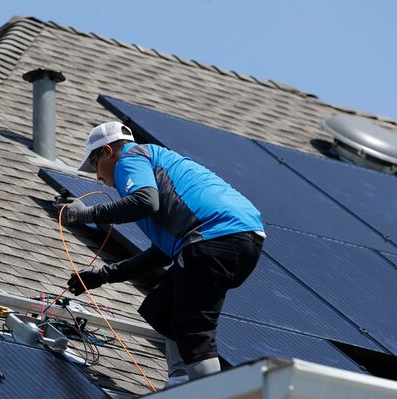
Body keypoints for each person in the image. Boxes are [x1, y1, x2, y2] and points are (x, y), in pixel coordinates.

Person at [58, 121, 265, 385]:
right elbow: (161, 254)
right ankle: (179, 382)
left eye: (94, 165)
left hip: (215, 236)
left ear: (108, 152)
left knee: (194, 326)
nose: (98, 178)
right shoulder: (158, 174)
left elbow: (145, 201)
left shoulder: (132, 157)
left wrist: (86, 214)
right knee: (164, 308)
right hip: (235, 240)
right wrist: (101, 276)